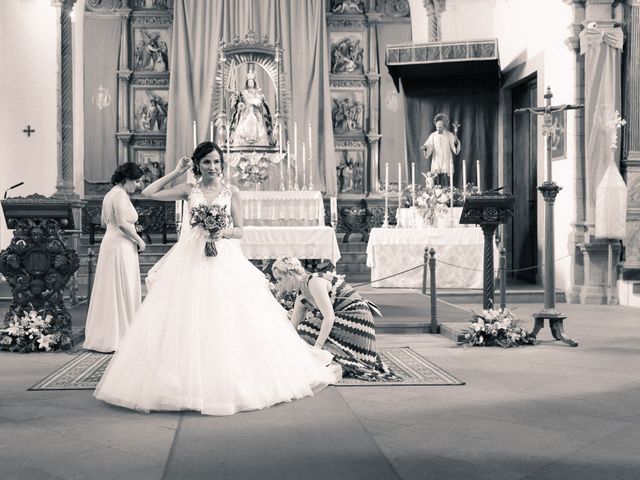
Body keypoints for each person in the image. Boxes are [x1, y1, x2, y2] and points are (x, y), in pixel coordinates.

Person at [94, 142, 339, 415]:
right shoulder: (190, 190)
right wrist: (177, 171)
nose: (212, 167)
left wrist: (221, 232)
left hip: (223, 259)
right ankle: (184, 381)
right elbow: (150, 191)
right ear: (198, 164)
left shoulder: (231, 192)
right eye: (207, 162)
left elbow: (241, 231)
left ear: (222, 165)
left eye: (216, 162)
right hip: (190, 260)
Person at [272, 257, 398, 382]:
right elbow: (292, 329)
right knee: (301, 331)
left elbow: (329, 317)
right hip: (343, 322)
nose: (279, 284)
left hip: (357, 318)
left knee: (305, 328)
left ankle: (346, 360)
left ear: (290, 274)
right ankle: (341, 360)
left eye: (280, 279)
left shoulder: (314, 281)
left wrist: (317, 348)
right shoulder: (301, 295)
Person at [83, 163, 146, 353]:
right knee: (121, 286)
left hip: (111, 243)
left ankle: (109, 333)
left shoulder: (110, 194)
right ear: (126, 179)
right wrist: (139, 240)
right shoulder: (119, 195)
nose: (138, 185)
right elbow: (122, 224)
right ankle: (120, 335)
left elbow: (104, 222)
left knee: (111, 288)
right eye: (136, 181)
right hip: (120, 245)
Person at [229, 66, 273, 146]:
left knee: (259, 126)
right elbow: (240, 102)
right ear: (247, 83)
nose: (250, 83)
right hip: (246, 112)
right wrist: (241, 105)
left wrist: (256, 102)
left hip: (255, 112)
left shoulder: (258, 93)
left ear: (254, 83)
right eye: (249, 82)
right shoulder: (243, 93)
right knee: (242, 126)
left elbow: (261, 101)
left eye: (252, 82)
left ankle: (259, 143)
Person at [421, 113, 461, 186]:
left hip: (446, 159)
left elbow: (454, 145)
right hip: (437, 159)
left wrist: (456, 143)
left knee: (447, 179)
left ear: (444, 127)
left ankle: (448, 192)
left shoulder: (449, 135)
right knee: (437, 178)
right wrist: (425, 148)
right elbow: (428, 145)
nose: (438, 129)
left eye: (440, 127)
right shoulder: (433, 135)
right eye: (437, 127)